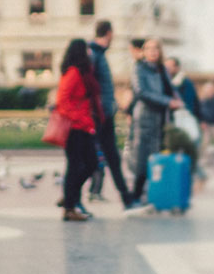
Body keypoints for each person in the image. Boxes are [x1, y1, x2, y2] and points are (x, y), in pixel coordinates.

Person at [86, 21, 136, 205]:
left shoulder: (98, 54)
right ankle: (71, 196)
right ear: (109, 33)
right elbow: (90, 84)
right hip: (100, 115)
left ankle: (125, 196)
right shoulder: (95, 54)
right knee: (95, 158)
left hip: (104, 113)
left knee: (112, 156)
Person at [55, 38, 102, 222]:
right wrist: (81, 119)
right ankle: (69, 207)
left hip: (83, 127)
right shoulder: (73, 73)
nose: (90, 53)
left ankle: (69, 196)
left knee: (90, 164)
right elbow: (62, 102)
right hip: (75, 129)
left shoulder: (82, 73)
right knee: (76, 167)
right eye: (87, 50)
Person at [127, 38, 178, 204]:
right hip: (145, 118)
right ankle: (135, 195)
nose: (153, 51)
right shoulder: (139, 68)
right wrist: (167, 102)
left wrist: (179, 102)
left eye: (156, 48)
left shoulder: (162, 70)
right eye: (148, 48)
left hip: (161, 119)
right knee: (142, 158)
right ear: (143, 52)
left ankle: (154, 193)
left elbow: (171, 90)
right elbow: (141, 92)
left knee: (158, 156)